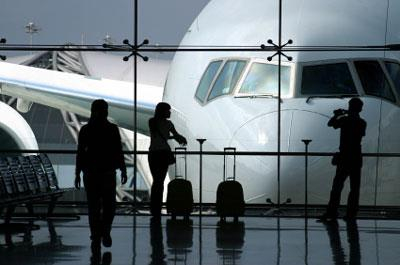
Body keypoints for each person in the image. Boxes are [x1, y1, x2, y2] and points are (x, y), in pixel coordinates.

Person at [75, 99, 127, 253]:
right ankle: (105, 231)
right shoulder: (112, 129)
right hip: (108, 173)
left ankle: (95, 236)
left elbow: (80, 153)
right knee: (110, 206)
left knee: (93, 207)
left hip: (90, 173)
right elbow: (118, 150)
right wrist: (123, 169)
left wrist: (77, 173)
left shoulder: (86, 130)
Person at [320, 97, 366, 221]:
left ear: (350, 107)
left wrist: (337, 115)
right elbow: (359, 135)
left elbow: (330, 124)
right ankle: (351, 214)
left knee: (337, 187)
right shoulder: (362, 122)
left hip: (344, 157)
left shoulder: (345, 120)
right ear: (360, 109)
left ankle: (332, 212)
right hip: (356, 158)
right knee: (354, 188)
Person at [148, 102, 187, 220]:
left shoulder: (152, 122)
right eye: (168, 110)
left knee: (156, 181)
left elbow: (157, 133)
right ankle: (157, 207)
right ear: (163, 111)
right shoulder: (169, 124)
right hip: (164, 154)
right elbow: (174, 135)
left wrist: (170, 136)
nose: (169, 112)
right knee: (160, 181)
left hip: (153, 153)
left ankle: (154, 208)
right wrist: (175, 137)